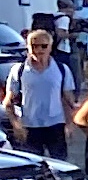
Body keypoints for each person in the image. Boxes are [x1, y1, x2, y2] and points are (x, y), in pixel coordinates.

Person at [10, 27, 78, 159]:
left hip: (55, 125)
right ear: (28, 47)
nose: (38, 50)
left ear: (50, 47)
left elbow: (68, 100)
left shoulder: (61, 69)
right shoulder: (19, 70)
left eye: (43, 46)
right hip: (29, 126)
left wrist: (70, 124)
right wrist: (16, 125)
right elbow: (9, 101)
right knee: (32, 165)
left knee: (60, 164)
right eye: (34, 46)